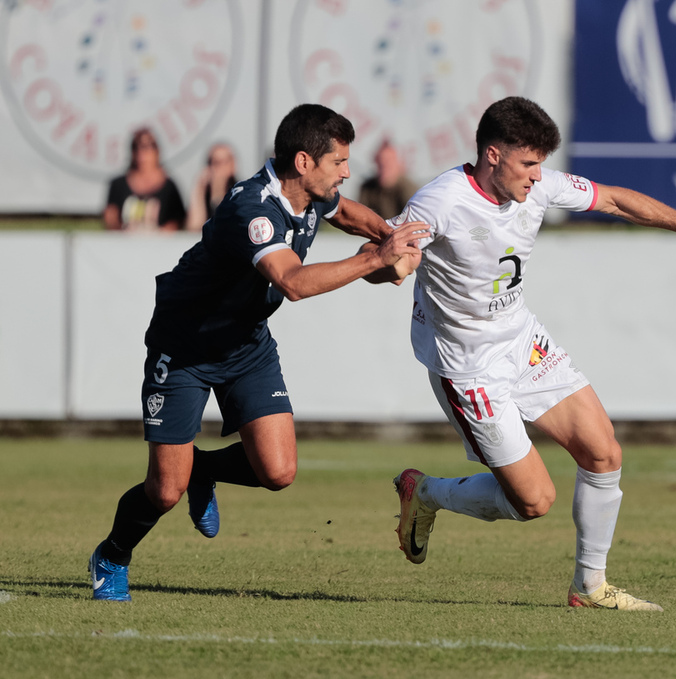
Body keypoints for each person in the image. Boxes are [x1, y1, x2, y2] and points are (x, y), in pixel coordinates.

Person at [383, 96, 676, 611]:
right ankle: (425, 493)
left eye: (541, 163)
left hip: (521, 339)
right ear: (493, 155)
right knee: (533, 502)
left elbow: (615, 201)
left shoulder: (541, 185)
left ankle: (590, 587)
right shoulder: (439, 202)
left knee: (603, 451)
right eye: (528, 163)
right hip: (468, 367)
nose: (538, 176)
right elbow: (389, 255)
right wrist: (395, 264)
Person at [87, 104, 427, 601]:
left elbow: (349, 214)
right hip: (184, 347)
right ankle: (112, 554)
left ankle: (203, 470)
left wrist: (389, 236)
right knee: (164, 490)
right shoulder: (254, 209)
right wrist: (376, 258)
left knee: (278, 472)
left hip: (247, 345)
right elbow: (292, 282)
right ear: (304, 162)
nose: (347, 172)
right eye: (339, 163)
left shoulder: (314, 194)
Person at [104, 127, 187, 231]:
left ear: (157, 150)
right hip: (125, 244)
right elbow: (111, 220)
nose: (142, 153)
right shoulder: (118, 185)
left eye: (148, 146)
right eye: (136, 147)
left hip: (160, 245)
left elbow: (176, 222)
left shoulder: (169, 187)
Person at [357, 139, 418, 219]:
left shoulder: (409, 190)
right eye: (380, 162)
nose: (384, 167)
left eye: (389, 162)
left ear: (399, 163)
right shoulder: (368, 188)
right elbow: (361, 219)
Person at [186, 142, 238, 231]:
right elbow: (194, 228)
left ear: (232, 165)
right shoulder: (205, 193)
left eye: (223, 162)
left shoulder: (240, 192)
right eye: (214, 162)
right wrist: (199, 191)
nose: (219, 168)